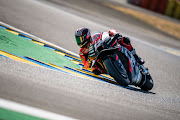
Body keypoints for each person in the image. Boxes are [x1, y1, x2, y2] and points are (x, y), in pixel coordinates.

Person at [75, 27, 144, 75]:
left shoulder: (95, 36)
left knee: (124, 40)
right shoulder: (82, 52)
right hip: (98, 60)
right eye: (78, 40)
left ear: (86, 35)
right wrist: (89, 61)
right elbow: (86, 65)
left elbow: (106, 34)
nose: (79, 42)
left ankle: (136, 57)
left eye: (80, 39)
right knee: (94, 70)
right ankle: (112, 71)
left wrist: (115, 33)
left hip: (106, 48)